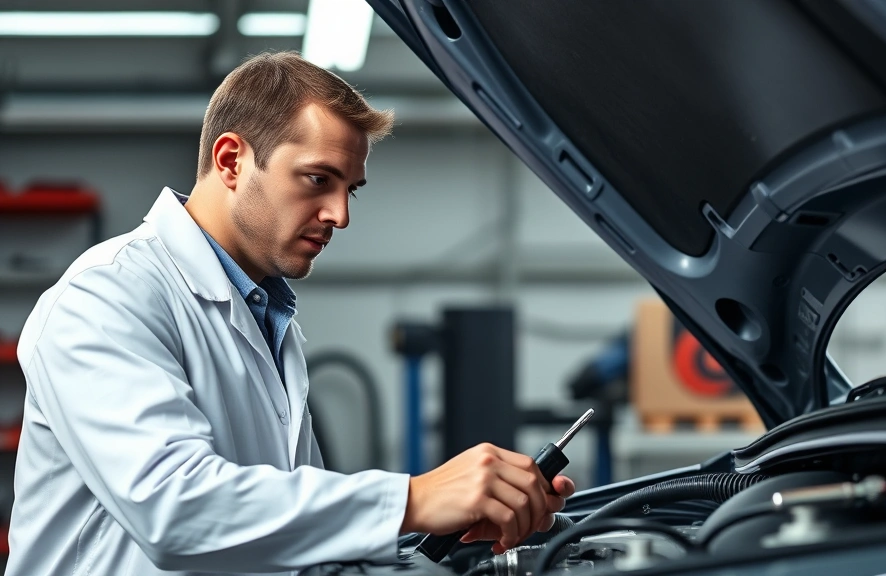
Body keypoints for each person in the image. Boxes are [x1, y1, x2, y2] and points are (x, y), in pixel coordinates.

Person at [5, 51, 575, 576]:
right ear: (232, 160)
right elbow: (173, 508)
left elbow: (282, 534)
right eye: (318, 179)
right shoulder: (105, 295)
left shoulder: (267, 318)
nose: (340, 215)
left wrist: (445, 528)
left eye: (351, 189)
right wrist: (414, 499)